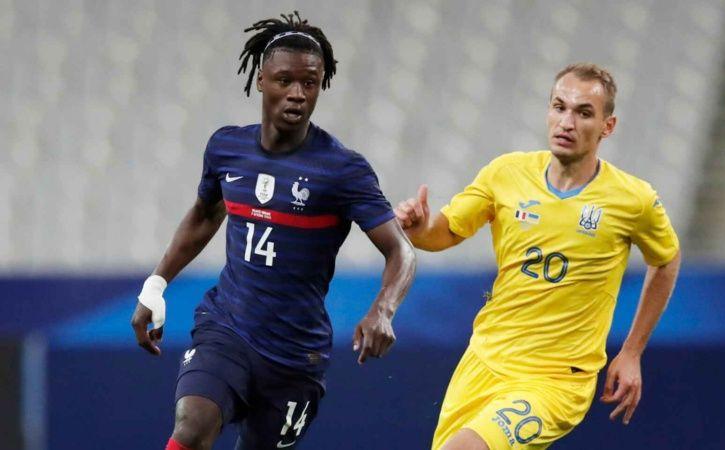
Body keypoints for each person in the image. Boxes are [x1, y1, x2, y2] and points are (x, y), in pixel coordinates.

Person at [130, 12, 416, 450]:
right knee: (192, 425)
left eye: (310, 83)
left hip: (295, 356)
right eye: (285, 80)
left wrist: (383, 309)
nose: (297, 94)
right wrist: (155, 285)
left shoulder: (343, 170)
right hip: (227, 327)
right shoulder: (226, 148)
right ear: (261, 80)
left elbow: (401, 251)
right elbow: (205, 215)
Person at [395, 63, 681, 450]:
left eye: (584, 113)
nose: (567, 122)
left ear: (607, 126)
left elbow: (666, 259)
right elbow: (445, 232)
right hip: (483, 360)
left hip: (555, 382)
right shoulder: (506, 173)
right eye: (559, 107)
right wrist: (419, 230)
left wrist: (632, 352)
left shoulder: (634, 199)